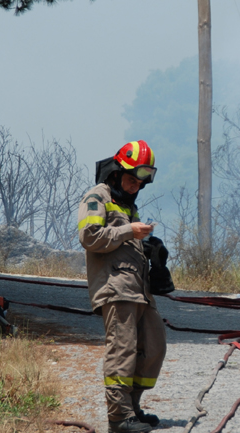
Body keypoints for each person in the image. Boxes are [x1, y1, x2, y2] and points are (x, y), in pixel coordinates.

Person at [77, 140, 169, 433]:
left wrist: (153, 250)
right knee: (122, 351)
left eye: (140, 183)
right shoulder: (97, 197)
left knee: (153, 347)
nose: (135, 187)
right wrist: (130, 230)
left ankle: (132, 407)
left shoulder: (129, 205)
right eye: (131, 180)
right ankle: (119, 417)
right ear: (116, 173)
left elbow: (130, 242)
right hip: (116, 288)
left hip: (140, 290)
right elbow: (90, 237)